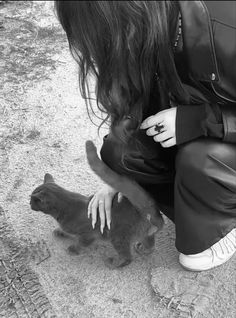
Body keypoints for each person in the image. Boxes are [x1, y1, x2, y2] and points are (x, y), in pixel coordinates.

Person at [55, 1, 236, 271]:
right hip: (198, 144)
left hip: (212, 149)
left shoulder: (226, 29)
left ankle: (224, 223)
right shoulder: (148, 30)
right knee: (119, 150)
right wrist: (116, 179)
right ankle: (200, 206)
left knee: (198, 160)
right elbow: (136, 107)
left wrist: (199, 121)